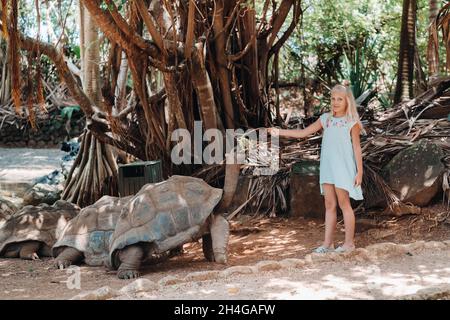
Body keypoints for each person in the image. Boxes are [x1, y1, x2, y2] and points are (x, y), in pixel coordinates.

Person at [268, 81, 363, 253]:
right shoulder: (325, 119)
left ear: (347, 101)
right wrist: (278, 132)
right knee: (329, 204)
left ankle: (349, 243)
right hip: (327, 167)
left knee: (344, 203)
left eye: (340, 99)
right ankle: (328, 244)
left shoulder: (351, 122)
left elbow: (357, 147)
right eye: (333, 98)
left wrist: (360, 172)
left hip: (343, 168)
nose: (335, 102)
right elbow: (303, 133)